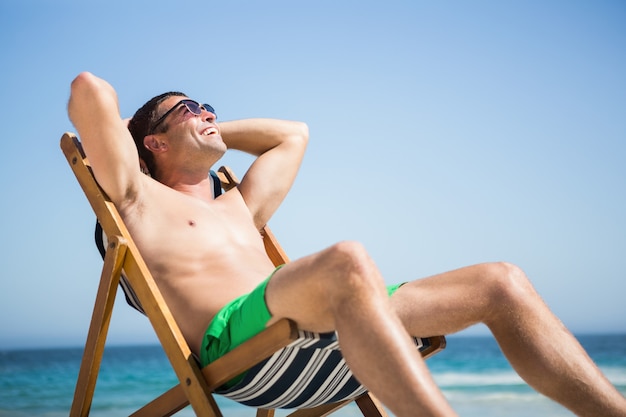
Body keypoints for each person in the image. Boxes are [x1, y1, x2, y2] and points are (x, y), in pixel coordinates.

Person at [67, 71, 626, 417]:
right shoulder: (136, 199)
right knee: (347, 262)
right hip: (242, 353)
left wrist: (207, 128)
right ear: (152, 141)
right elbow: (89, 89)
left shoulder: (238, 204)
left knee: (501, 281)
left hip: (325, 333)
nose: (207, 112)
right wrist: (152, 143)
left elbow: (294, 134)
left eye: (208, 104)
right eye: (190, 109)